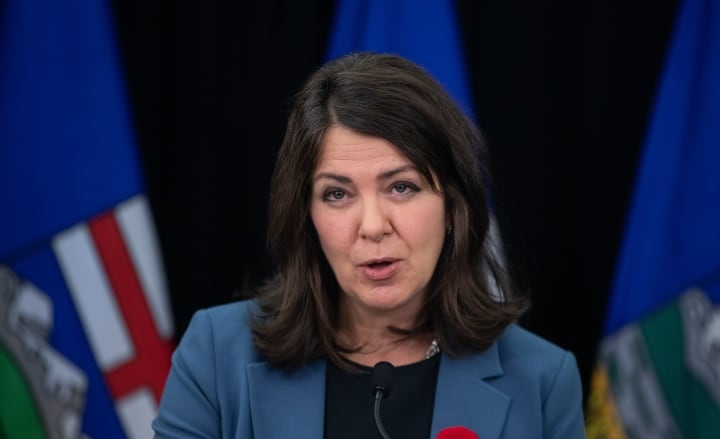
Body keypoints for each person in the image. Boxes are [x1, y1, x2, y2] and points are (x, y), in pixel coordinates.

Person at [153, 52, 584, 438]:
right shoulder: (214, 353)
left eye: (401, 187)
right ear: (307, 217)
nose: (373, 226)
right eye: (337, 194)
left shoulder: (542, 379)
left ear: (453, 207)